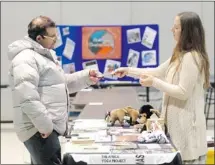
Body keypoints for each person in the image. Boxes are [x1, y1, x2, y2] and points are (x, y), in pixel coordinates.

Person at [113, 11, 210, 164]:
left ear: (187, 32)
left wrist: (154, 83)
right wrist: (128, 70)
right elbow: (157, 71)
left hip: (187, 132)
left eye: (176, 27)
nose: (172, 30)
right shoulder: (179, 55)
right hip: (175, 129)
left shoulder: (192, 57)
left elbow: (183, 92)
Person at [8, 16, 102, 165]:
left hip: (45, 127)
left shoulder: (44, 56)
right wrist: (45, 126)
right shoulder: (25, 59)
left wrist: (86, 77)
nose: (56, 40)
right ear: (39, 38)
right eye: (52, 36)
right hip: (39, 129)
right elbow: (27, 97)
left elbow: (60, 85)